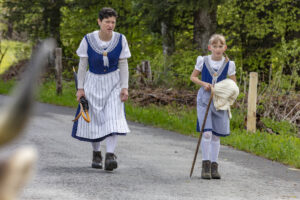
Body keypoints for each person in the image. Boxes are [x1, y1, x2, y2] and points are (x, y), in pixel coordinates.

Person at [71, 7, 131, 171]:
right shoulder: (88, 39)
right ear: (99, 22)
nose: (110, 25)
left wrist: (125, 87)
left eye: (113, 22)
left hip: (114, 83)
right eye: (107, 22)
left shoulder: (120, 39)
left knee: (113, 117)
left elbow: (123, 64)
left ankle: (110, 155)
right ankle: (96, 152)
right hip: (93, 82)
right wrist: (80, 88)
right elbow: (83, 65)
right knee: (95, 120)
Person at [190, 34, 237, 179]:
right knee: (207, 133)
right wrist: (204, 84)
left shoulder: (229, 64)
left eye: (220, 46)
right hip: (204, 99)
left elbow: (233, 85)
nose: (217, 49)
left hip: (220, 101)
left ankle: (214, 166)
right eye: (215, 46)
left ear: (225, 48)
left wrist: (224, 91)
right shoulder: (203, 60)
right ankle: (205, 164)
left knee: (216, 135)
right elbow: (193, 77)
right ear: (210, 47)